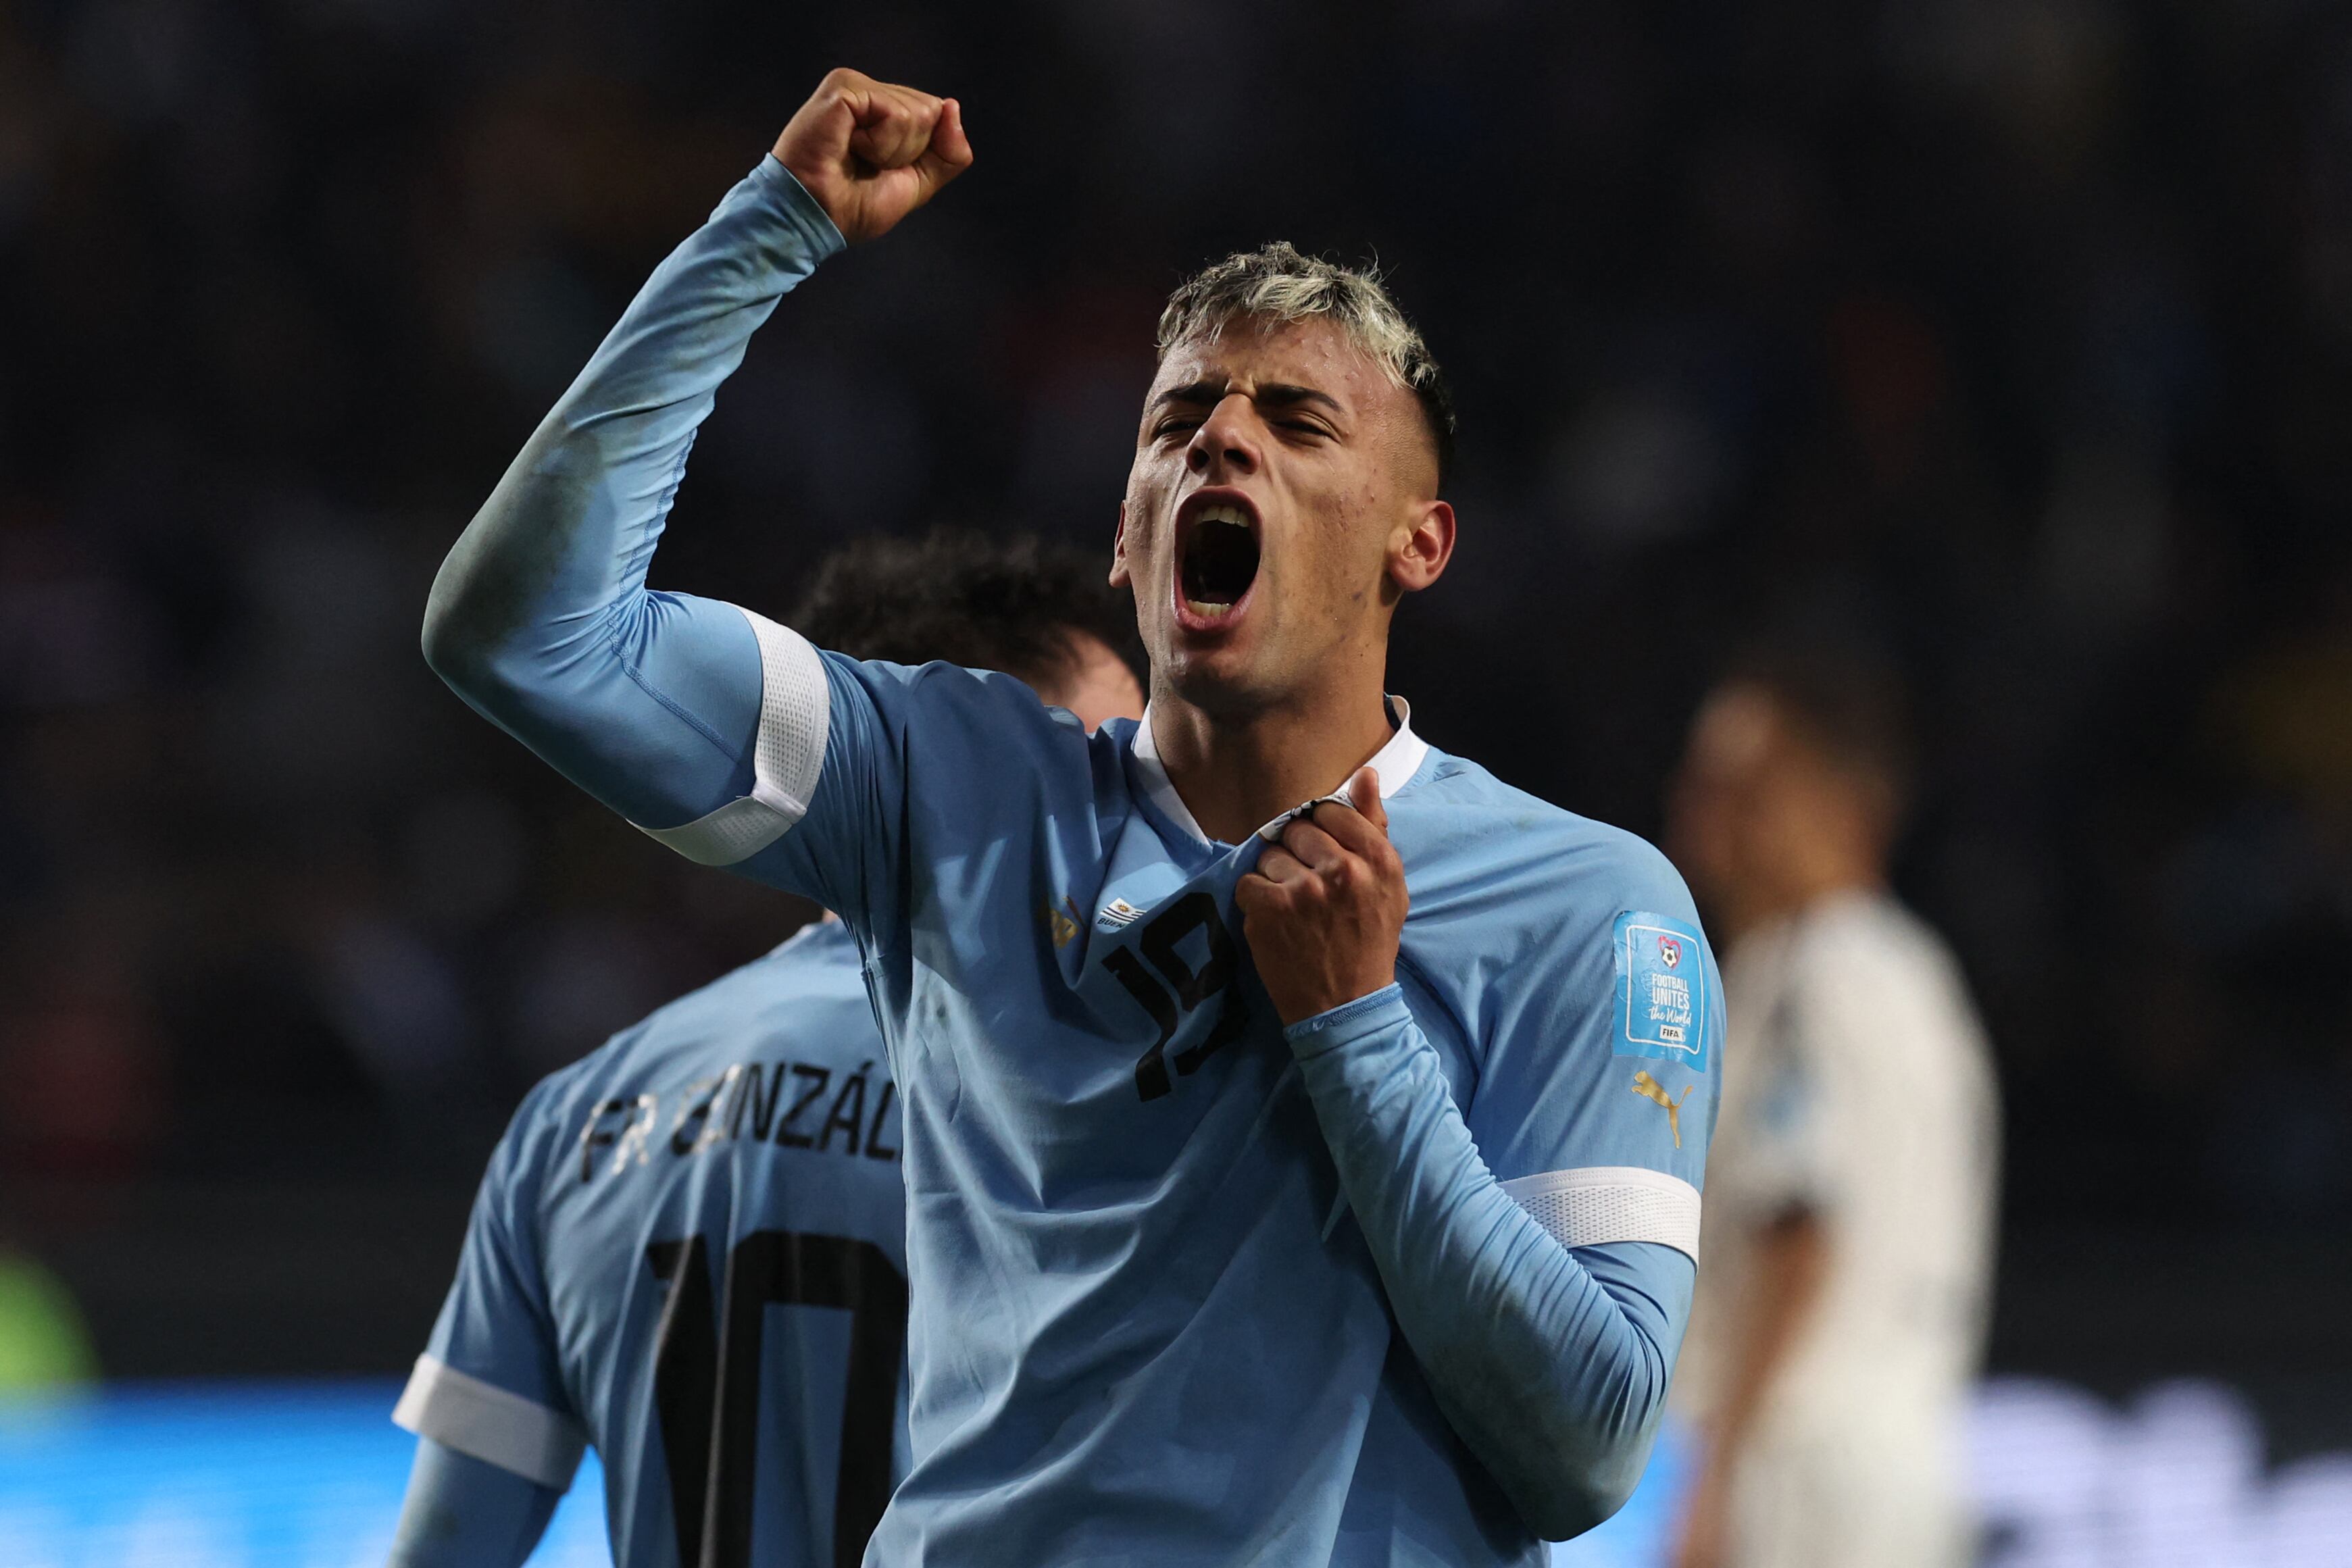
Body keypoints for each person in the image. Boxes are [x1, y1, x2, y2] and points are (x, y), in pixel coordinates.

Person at [422, 68, 1722, 1565]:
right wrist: (764, 233)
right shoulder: (952, 786)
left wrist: (1355, 1037)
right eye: (1178, 420)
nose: (1219, 443)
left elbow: (1589, 1443)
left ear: (1415, 544)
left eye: (1296, 422)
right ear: (1124, 530)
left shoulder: (1586, 903)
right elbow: (526, 638)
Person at [386, 532, 1145, 1568]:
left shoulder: (573, 1118)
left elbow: (445, 1549)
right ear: (986, 766)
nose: (1153, 811)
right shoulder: (1097, 1092)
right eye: (1114, 760)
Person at [1662, 642, 1999, 1568]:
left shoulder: (1821, 970)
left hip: (1807, 1462)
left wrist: (1715, 1476)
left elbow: (1798, 1232)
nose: (1701, 813)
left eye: (1740, 784)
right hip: (1895, 1443)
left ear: (1834, 799)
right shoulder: (1905, 971)